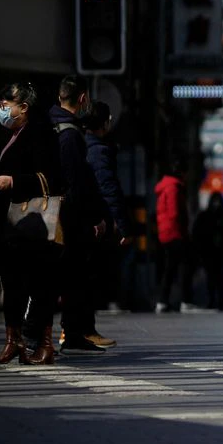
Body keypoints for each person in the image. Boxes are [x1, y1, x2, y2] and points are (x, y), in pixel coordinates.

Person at [0, 82, 64, 365]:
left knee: (40, 283)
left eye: (7, 103)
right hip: (13, 223)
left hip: (36, 222)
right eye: (0, 104)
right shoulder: (9, 133)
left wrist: (15, 181)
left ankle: (44, 345)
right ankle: (13, 341)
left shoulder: (41, 132)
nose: (2, 109)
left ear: (24, 107)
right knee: (12, 284)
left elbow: (53, 177)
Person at [46, 75, 109, 352]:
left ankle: (67, 333)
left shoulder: (47, 125)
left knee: (59, 276)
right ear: (82, 99)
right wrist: (92, 218)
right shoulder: (70, 133)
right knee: (72, 276)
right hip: (68, 216)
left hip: (49, 212)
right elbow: (77, 181)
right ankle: (69, 334)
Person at [84, 101, 131, 333]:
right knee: (90, 277)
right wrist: (122, 225)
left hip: (88, 219)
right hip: (97, 222)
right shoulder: (99, 151)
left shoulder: (83, 144)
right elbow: (108, 188)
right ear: (104, 123)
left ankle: (79, 330)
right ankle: (82, 330)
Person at [155, 162, 191, 313]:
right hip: (174, 232)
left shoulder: (166, 186)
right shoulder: (173, 188)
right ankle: (184, 301)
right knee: (184, 266)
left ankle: (163, 301)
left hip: (166, 233)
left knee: (170, 268)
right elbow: (174, 212)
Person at [191, 192, 223, 310]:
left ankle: (220, 301)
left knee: (220, 278)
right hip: (209, 251)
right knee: (211, 277)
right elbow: (198, 234)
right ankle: (212, 300)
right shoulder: (205, 216)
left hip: (220, 253)